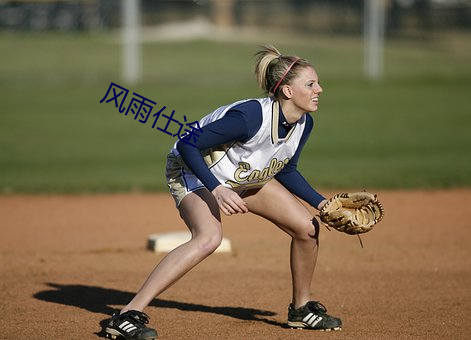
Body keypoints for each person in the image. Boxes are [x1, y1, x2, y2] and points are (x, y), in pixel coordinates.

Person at [105, 45, 342, 340]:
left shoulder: (304, 123)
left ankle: (302, 309)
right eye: (310, 84)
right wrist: (216, 189)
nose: (320, 88)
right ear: (288, 92)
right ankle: (126, 315)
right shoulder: (249, 117)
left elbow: (286, 169)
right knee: (209, 238)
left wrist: (323, 204)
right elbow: (187, 145)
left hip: (241, 177)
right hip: (193, 172)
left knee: (307, 228)